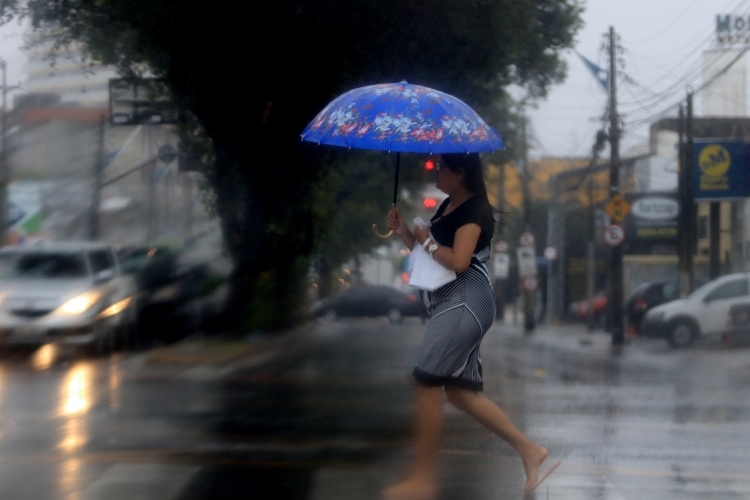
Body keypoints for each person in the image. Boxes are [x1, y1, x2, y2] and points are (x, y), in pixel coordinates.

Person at [383, 153, 558, 499]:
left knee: (426, 382)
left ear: (460, 172)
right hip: (453, 301)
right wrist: (405, 231)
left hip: (465, 301)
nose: (435, 173)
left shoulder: (475, 210)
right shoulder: (448, 205)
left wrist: (426, 237)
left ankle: (423, 480)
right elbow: (431, 259)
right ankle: (529, 450)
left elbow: (459, 262)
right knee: (460, 394)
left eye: (441, 168)